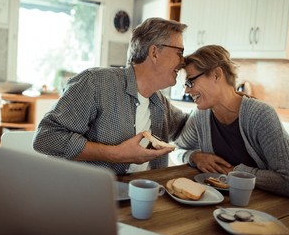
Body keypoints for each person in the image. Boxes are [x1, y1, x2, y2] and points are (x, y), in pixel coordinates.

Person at [33, 17, 189, 174]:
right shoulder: (96, 83)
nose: (184, 62)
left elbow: (190, 130)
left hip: (142, 194)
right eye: (179, 53)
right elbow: (46, 138)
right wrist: (115, 154)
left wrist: (193, 155)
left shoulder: (160, 103)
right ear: (154, 52)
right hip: (86, 193)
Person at [172, 45, 289, 197]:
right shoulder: (200, 117)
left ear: (216, 75)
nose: (187, 91)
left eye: (190, 82)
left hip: (265, 206)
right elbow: (175, 150)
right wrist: (193, 157)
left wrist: (235, 172)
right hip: (221, 202)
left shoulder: (260, 115)